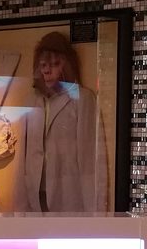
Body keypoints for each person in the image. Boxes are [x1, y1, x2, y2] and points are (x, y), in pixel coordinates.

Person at [20, 31, 107, 211]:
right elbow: (23, 156)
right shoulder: (32, 101)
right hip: (35, 196)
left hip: (68, 196)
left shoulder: (82, 99)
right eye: (43, 65)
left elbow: (90, 160)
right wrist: (19, 208)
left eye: (55, 64)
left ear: (67, 65)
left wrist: (97, 213)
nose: (47, 70)